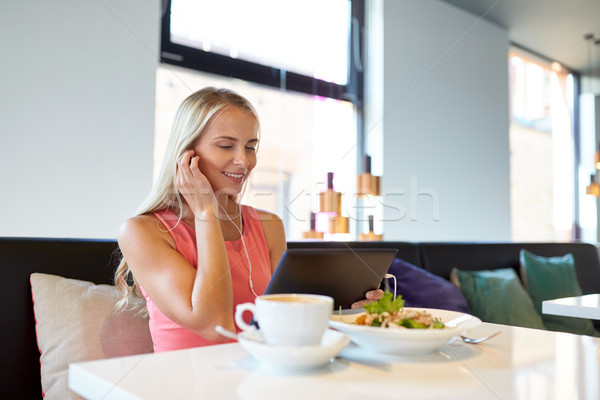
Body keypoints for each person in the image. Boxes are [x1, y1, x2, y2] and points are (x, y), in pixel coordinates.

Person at [115, 87, 381, 352]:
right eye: (226, 145)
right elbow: (213, 324)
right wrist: (206, 213)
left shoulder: (269, 226)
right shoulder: (143, 232)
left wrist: (349, 317)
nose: (244, 160)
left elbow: (288, 326)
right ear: (187, 154)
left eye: (250, 147)